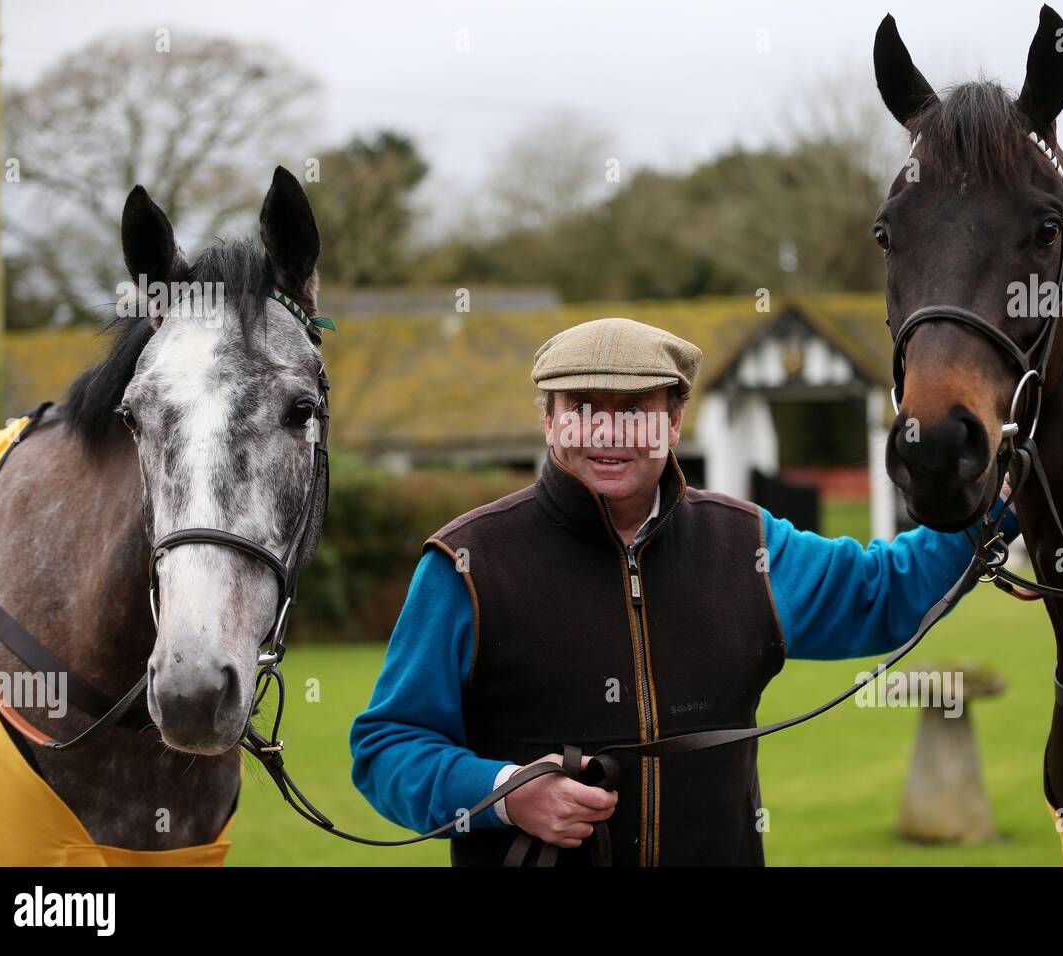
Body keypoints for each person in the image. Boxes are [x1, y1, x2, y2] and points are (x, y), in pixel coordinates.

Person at [350, 316, 1017, 865]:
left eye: (635, 410)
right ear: (549, 420)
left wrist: (1007, 495)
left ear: (673, 423)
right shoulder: (466, 562)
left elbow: (884, 592)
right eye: (582, 409)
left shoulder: (749, 544)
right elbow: (388, 747)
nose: (609, 432)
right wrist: (502, 792)